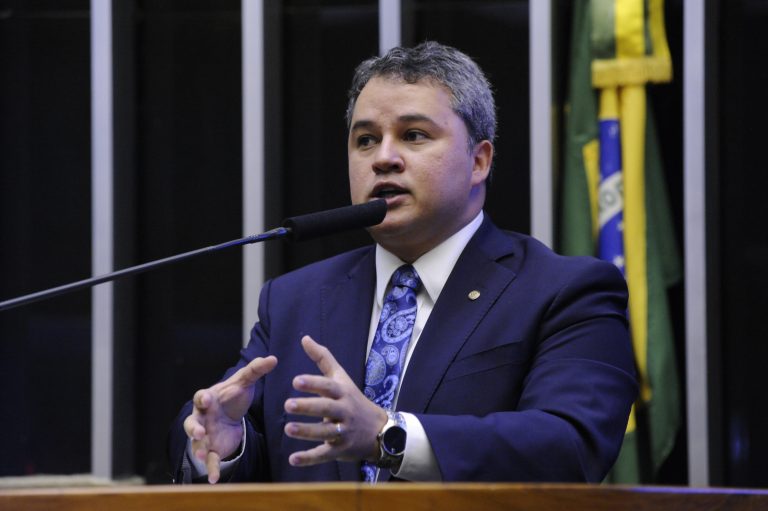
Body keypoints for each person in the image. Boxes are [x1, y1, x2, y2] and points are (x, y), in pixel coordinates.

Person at [168, 41, 637, 484]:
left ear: (479, 161)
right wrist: (227, 443)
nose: (383, 158)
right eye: (365, 140)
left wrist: (387, 436)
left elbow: (571, 445)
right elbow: (238, 435)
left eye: (413, 135)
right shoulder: (295, 299)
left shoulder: (564, 291)